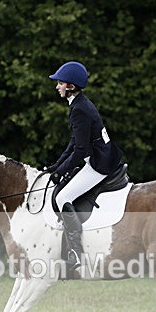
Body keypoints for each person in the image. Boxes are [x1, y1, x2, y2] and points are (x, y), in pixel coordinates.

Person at [45, 61, 124, 271]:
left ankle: (76, 254)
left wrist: (60, 172)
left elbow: (80, 151)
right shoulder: (79, 104)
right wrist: (57, 166)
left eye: (60, 83)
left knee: (62, 197)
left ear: (70, 86)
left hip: (100, 163)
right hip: (103, 155)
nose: (57, 87)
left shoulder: (79, 109)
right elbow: (74, 142)